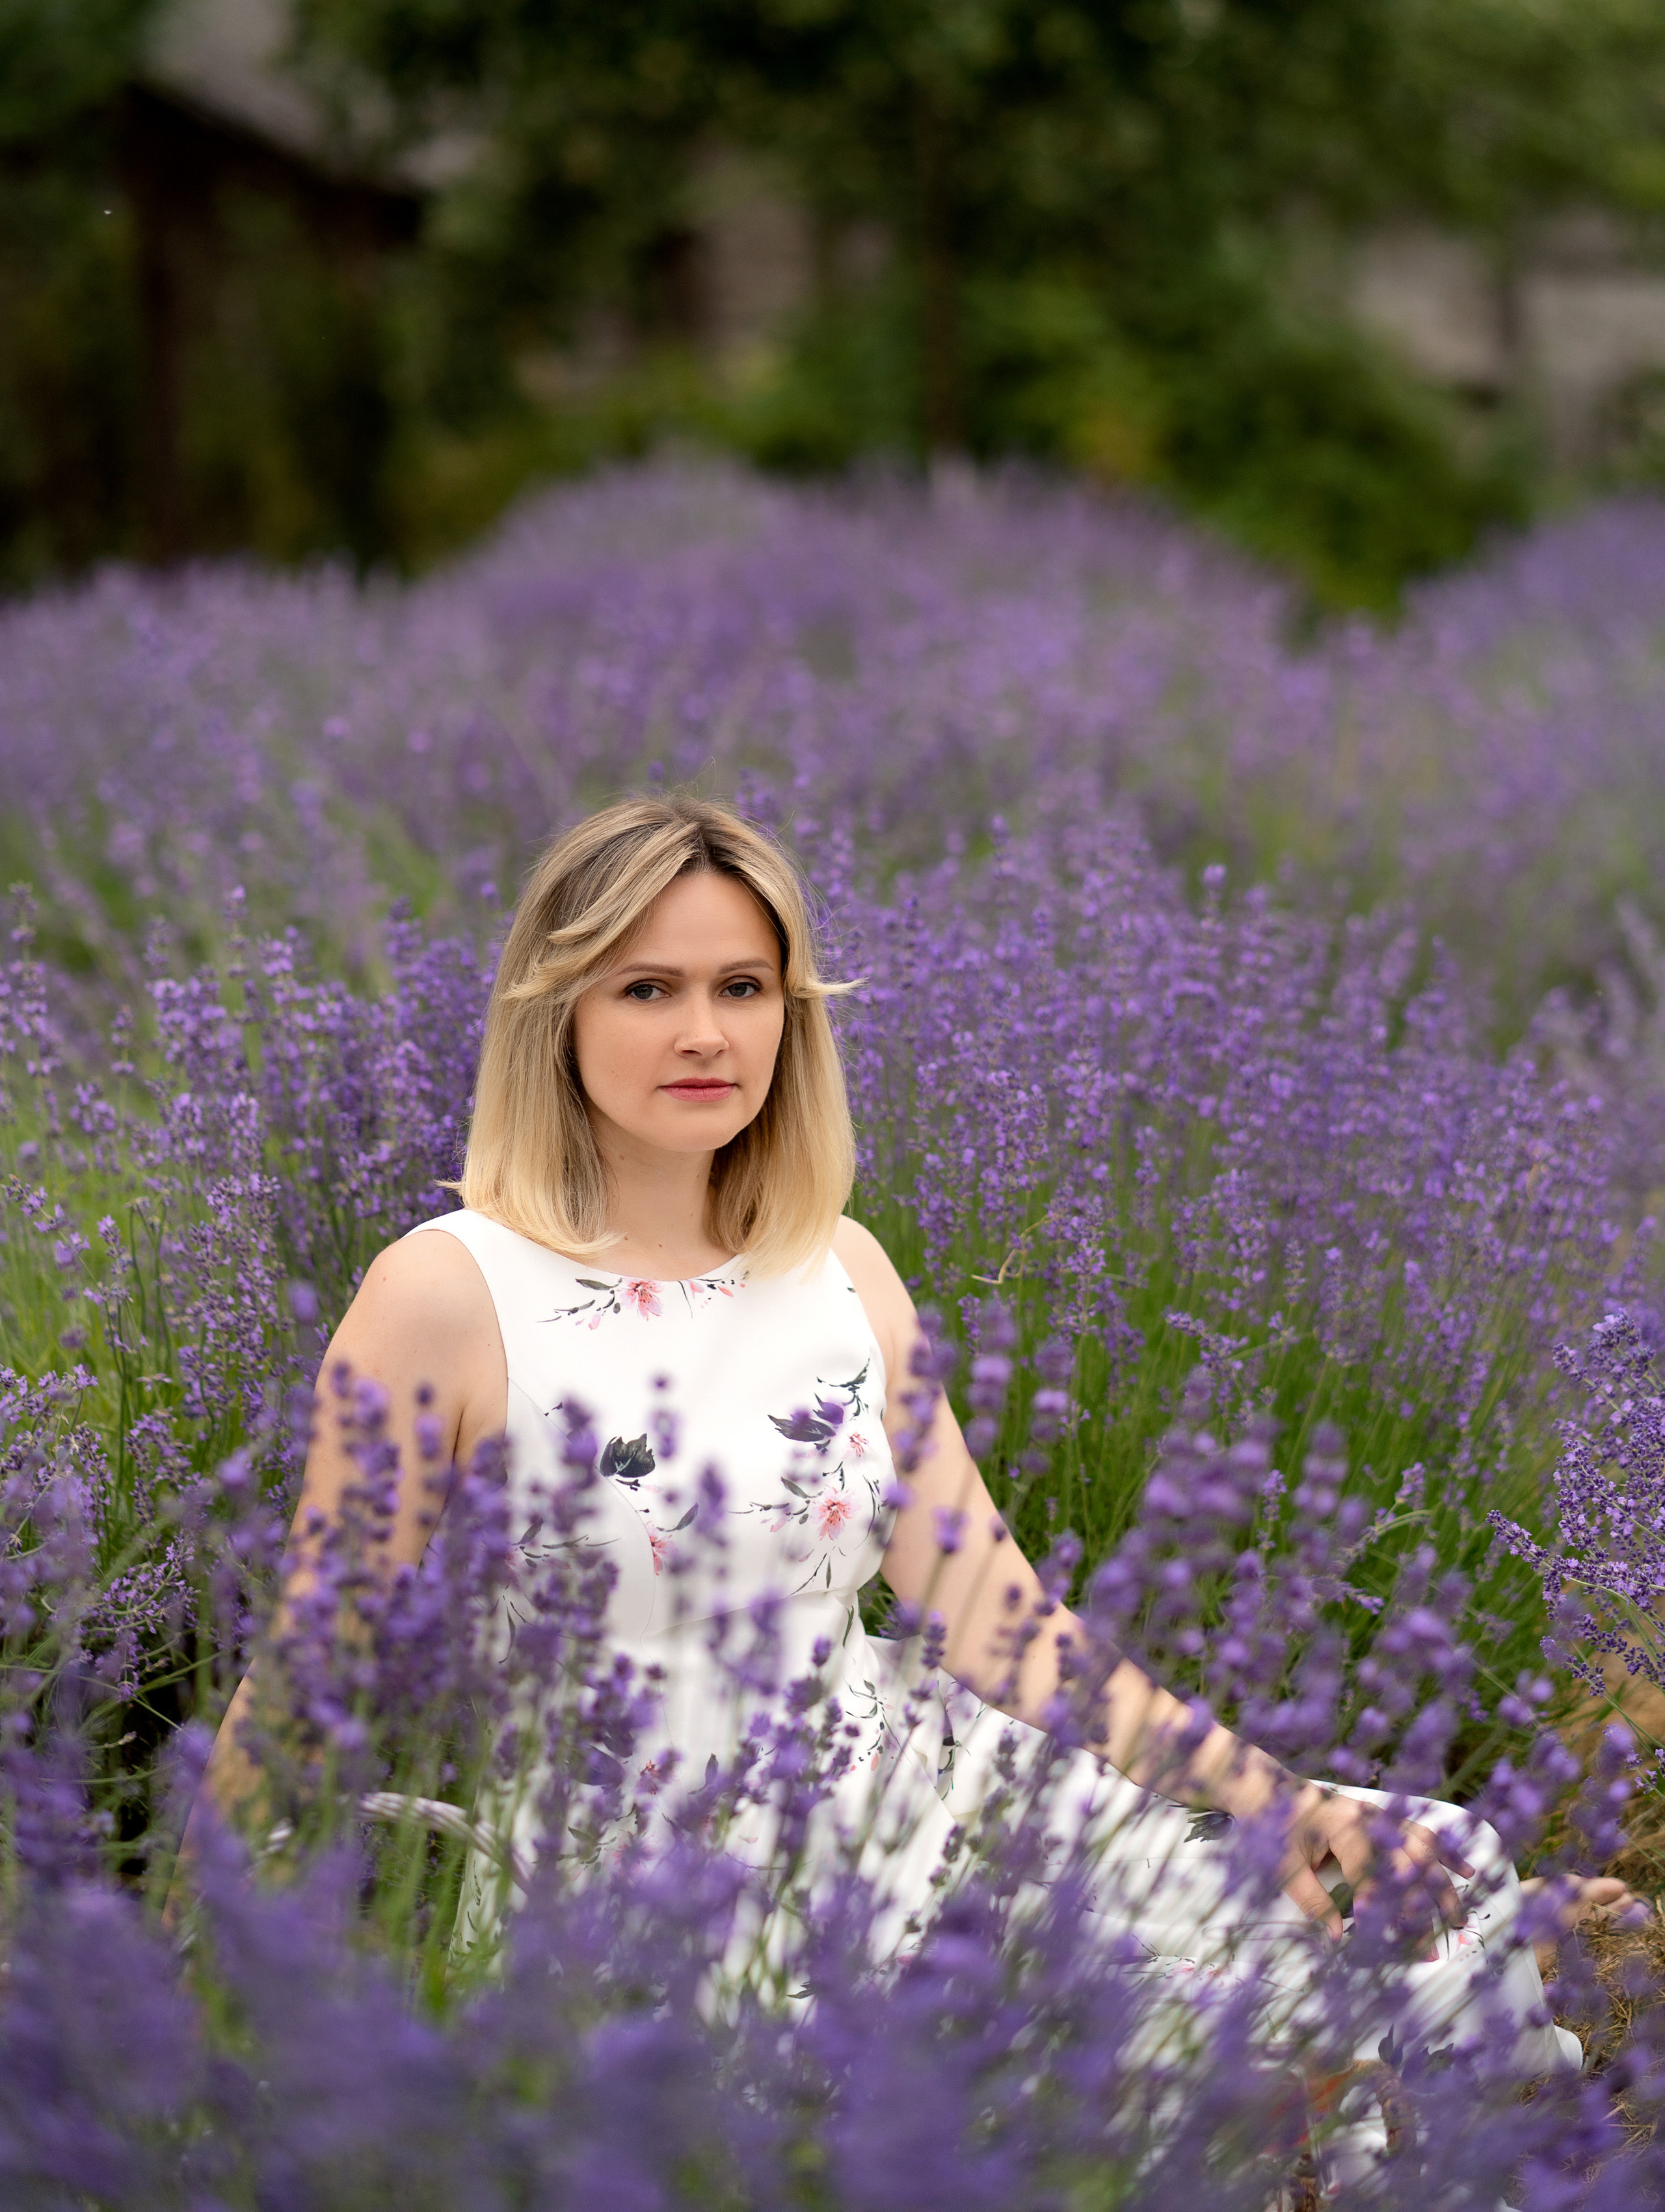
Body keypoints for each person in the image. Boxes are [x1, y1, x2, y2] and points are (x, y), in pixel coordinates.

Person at [203, 793, 1613, 2103]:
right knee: (1188, 2044)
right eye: (648, 989)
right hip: (662, 1890)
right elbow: (313, 1655)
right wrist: (197, 1970)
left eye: (740, 988)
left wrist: (1272, 1795)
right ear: (555, 1016)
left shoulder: (840, 1271)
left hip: (917, 1791)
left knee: (1424, 1866)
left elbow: (1001, 1618)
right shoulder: (446, 1293)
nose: (704, 1033)